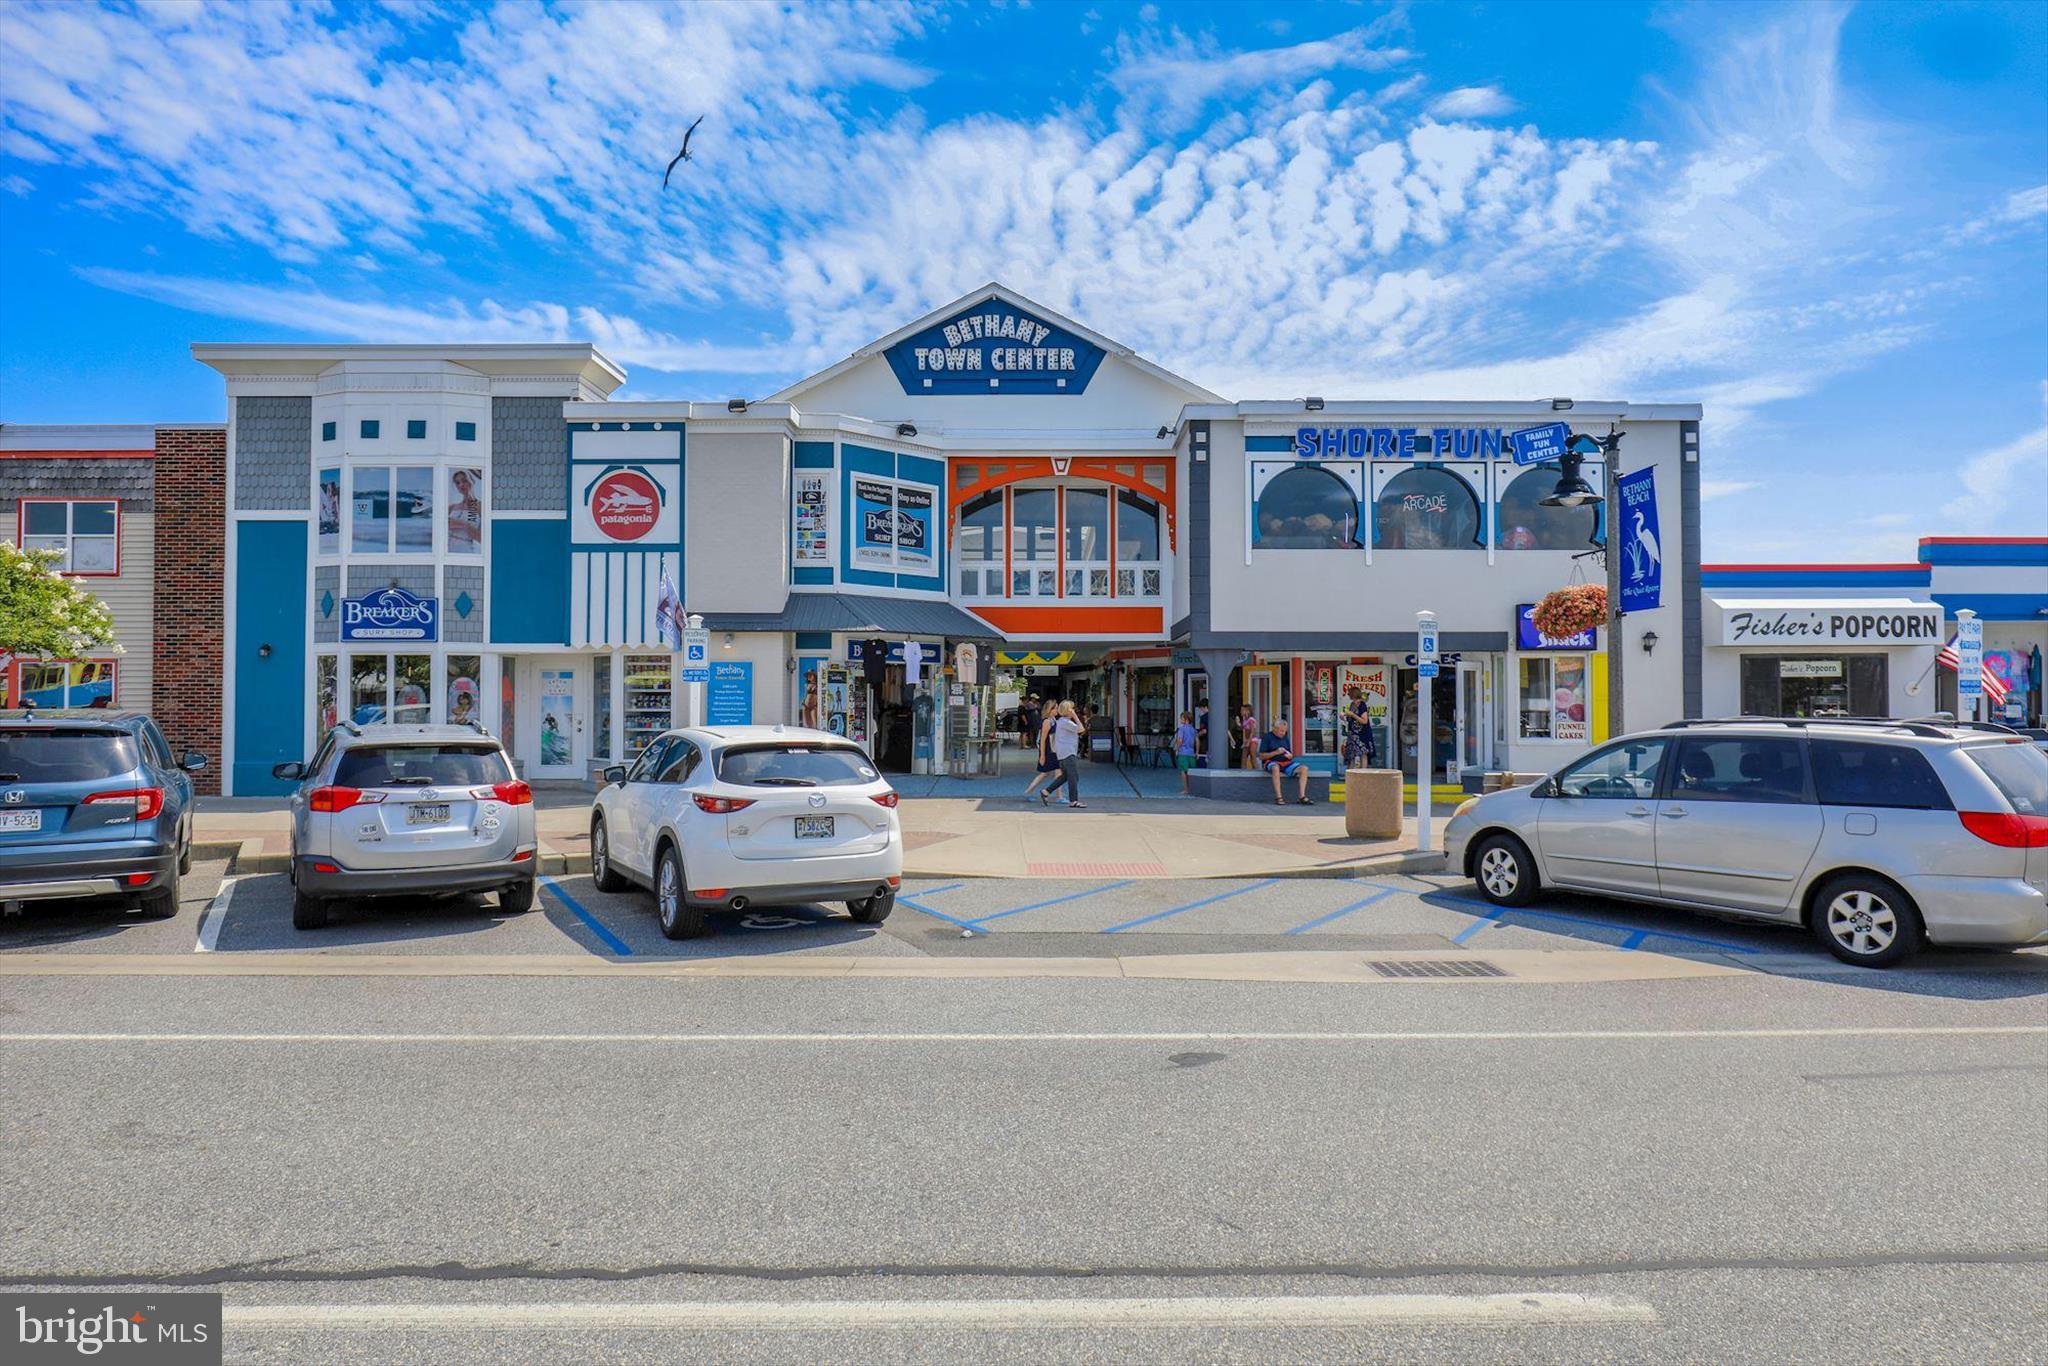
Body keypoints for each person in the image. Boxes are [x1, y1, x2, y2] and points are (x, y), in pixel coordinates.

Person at [1040, 700, 1087, 808]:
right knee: (1073, 777)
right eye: (1072, 709)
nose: (1074, 710)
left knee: (1065, 776)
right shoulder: (1066, 722)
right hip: (1068, 753)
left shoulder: (1061, 721)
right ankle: (1074, 801)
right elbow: (1081, 729)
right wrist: (1075, 716)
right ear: (1068, 710)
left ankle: (1046, 791)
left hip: (1062, 754)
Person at [1258, 717, 1312, 805]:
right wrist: (1276, 752)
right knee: (1275, 768)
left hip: (1286, 763)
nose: (1283, 733)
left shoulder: (1285, 738)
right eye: (1281, 731)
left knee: (1304, 768)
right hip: (1271, 762)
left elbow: (1289, 753)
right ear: (1275, 729)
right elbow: (1261, 756)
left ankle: (1302, 796)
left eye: (1285, 731)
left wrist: (1290, 756)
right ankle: (1279, 797)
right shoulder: (1267, 737)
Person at [1021, 703, 1060, 801]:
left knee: (1052, 772)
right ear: (1050, 710)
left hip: (1053, 749)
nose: (1057, 710)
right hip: (1049, 750)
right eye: (1056, 708)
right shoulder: (1047, 721)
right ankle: (1028, 792)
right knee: (1047, 773)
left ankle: (1059, 796)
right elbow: (1042, 739)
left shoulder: (1053, 720)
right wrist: (1042, 755)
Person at [1341, 686, 1377, 770]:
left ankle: (1362, 774)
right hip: (1353, 734)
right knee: (1351, 755)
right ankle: (1350, 775)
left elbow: (1364, 721)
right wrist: (1344, 716)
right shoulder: (1352, 704)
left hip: (1362, 734)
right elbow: (1351, 718)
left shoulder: (1362, 705)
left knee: (1363, 754)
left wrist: (1352, 715)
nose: (1353, 700)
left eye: (1352, 696)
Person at [1173, 710, 1199, 793]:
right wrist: (1197, 752)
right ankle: (1192, 788)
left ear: (1186, 719)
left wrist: (1177, 749)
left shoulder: (1181, 729)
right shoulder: (1194, 730)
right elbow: (1197, 741)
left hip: (1183, 752)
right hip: (1191, 753)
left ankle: (1186, 789)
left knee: (1183, 771)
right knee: (1190, 771)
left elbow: (1180, 740)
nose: (1180, 720)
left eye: (1181, 718)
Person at [1235, 704, 1259, 770]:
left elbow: (1252, 731)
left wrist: (1248, 741)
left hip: (1252, 740)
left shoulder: (1251, 719)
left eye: (1242, 710)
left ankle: (1257, 771)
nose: (1240, 712)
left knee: (1252, 756)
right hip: (1247, 740)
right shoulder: (1245, 720)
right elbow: (1242, 728)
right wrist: (1238, 723)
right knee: (1243, 757)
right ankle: (1243, 772)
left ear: (1247, 711)